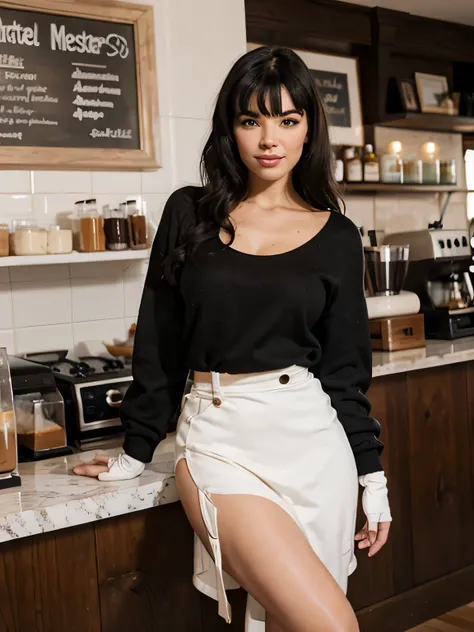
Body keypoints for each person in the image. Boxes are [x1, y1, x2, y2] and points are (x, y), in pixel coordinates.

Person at [73, 45, 392, 632]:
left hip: (313, 441)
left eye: (288, 120)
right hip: (220, 442)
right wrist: (135, 449)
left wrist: (372, 476)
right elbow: (160, 340)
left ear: (308, 131)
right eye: (252, 120)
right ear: (230, 129)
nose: (270, 139)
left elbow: (347, 370)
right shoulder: (188, 213)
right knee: (332, 625)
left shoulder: (338, 235)